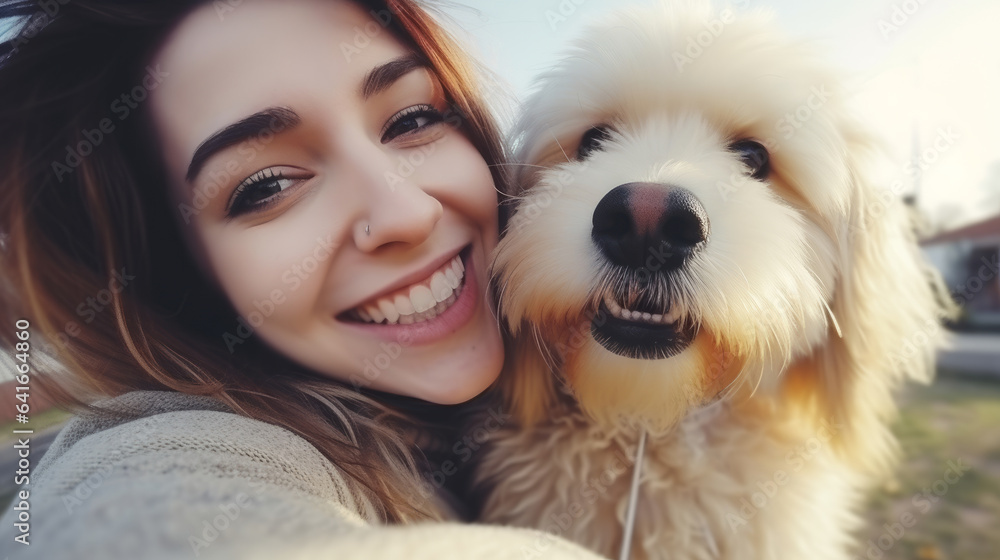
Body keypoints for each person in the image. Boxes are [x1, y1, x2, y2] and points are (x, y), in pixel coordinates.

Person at [0, 0, 607, 557]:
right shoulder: (175, 451)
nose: (408, 213)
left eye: (411, 119)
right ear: (180, 277)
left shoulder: (592, 338)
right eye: (267, 186)